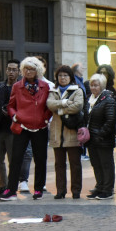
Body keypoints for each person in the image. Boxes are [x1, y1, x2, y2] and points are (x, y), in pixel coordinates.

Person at [0, 57, 52, 201]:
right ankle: (10, 189)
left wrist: (46, 118)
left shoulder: (45, 86)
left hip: (40, 127)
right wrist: (15, 116)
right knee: (16, 159)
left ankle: (38, 189)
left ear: (37, 71)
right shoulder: (17, 86)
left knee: (40, 159)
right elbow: (10, 105)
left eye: (31, 69)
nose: (28, 72)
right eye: (26, 69)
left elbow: (49, 105)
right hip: (21, 126)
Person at [46, 65, 85, 199]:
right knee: (59, 165)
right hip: (57, 134)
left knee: (75, 164)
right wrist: (64, 103)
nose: (63, 78)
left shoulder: (77, 90)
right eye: (60, 75)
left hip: (72, 133)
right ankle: (60, 191)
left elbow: (77, 106)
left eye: (65, 75)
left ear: (70, 77)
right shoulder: (53, 90)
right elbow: (50, 104)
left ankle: (76, 191)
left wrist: (59, 108)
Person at [85, 73, 116, 200]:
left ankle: (107, 189)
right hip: (91, 139)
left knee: (106, 164)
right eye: (91, 85)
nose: (93, 88)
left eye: (96, 85)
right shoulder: (89, 99)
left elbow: (110, 121)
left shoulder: (108, 99)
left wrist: (99, 134)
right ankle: (99, 187)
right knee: (96, 164)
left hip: (103, 139)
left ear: (102, 86)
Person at [0, 60, 20, 196]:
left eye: (14, 70)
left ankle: (12, 187)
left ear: (19, 72)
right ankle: (2, 185)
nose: (11, 72)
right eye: (9, 69)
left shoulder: (21, 87)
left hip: (13, 129)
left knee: (12, 160)